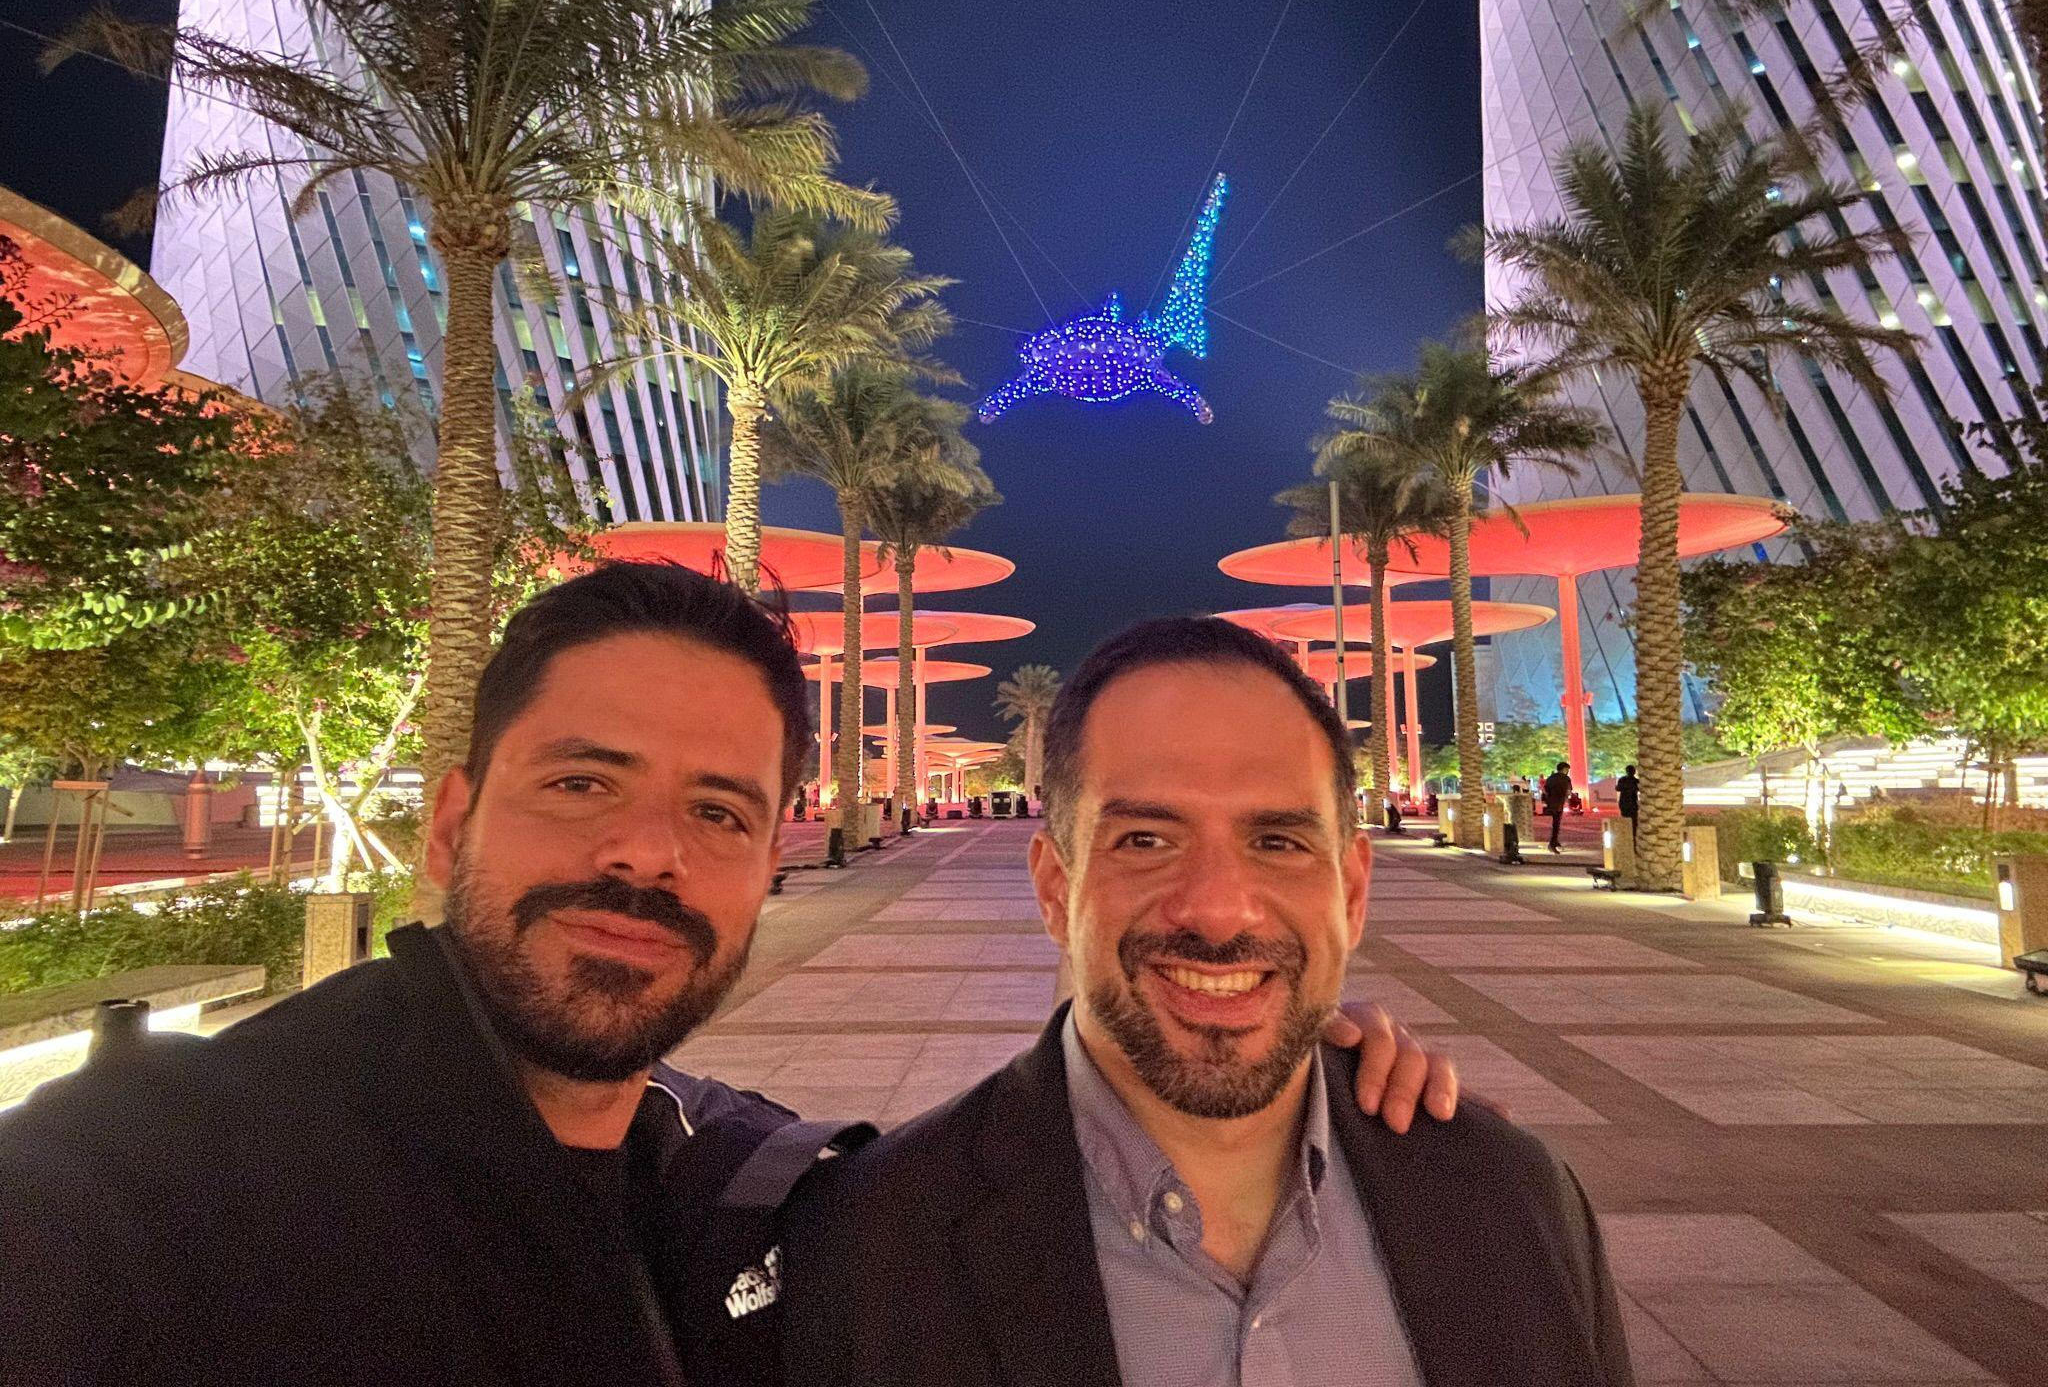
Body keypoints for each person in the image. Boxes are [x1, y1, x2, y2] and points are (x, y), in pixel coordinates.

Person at [0, 565, 1456, 1387]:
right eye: (582, 783)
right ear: (449, 822)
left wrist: (1273, 1061)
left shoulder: (750, 1188)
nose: (645, 858)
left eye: (717, 811)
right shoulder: (140, 1190)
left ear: (770, 860)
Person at [783, 618, 1634, 1387]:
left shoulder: (1514, 1204)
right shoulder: (870, 1244)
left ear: (1351, 891)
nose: (1220, 908)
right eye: (1145, 841)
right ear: (1053, 887)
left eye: (1278, 841)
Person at [1542, 759, 1574, 853]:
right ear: (1564, 769)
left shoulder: (1551, 778)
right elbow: (1569, 790)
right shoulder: (1566, 778)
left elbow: (1545, 789)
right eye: (1567, 769)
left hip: (1551, 802)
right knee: (1556, 823)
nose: (1568, 771)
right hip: (1559, 802)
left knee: (1555, 823)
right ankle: (1552, 843)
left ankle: (1555, 841)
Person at [1616, 764, 1641, 841]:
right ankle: (1629, 836)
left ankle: (1630, 836)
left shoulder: (1634, 781)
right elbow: (1618, 788)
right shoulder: (1633, 781)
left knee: (1631, 821)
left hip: (1629, 804)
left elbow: (1618, 788)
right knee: (1631, 821)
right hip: (1628, 804)